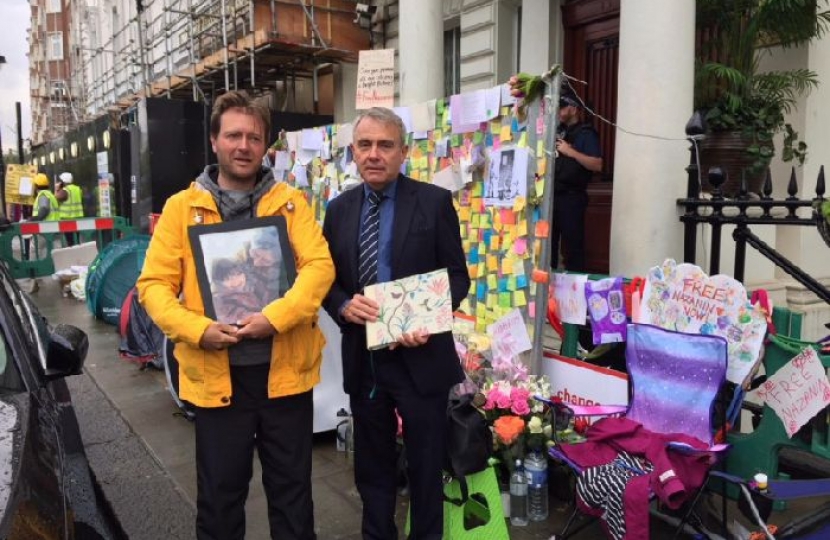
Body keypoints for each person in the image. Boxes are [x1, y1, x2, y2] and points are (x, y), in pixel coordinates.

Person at [136, 90, 334, 540]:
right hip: (216, 380)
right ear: (214, 141)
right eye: (233, 136)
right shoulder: (180, 209)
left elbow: (319, 268)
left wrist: (277, 317)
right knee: (220, 502)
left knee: (293, 498)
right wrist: (199, 329)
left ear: (265, 145)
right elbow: (153, 286)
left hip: (284, 376)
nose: (243, 146)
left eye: (253, 137)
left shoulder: (290, 203)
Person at [322, 107, 470, 540]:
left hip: (420, 356)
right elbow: (327, 281)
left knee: (426, 467)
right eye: (364, 145)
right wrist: (343, 305)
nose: (374, 154)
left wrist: (429, 318)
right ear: (353, 151)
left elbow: (456, 275)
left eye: (385, 145)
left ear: (403, 151)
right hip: (363, 358)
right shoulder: (338, 210)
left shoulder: (434, 202)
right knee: (372, 465)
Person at [552, 93, 603, 272]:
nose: (558, 111)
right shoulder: (556, 130)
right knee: (547, 246)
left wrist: (570, 152)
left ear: (573, 109)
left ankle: (574, 290)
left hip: (571, 198)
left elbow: (597, 165)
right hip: (552, 196)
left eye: (562, 107)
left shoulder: (586, 134)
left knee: (573, 248)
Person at [210, 258, 262, 324]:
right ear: (218, 283)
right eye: (227, 279)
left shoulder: (251, 289)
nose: (236, 281)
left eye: (238, 274)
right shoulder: (219, 301)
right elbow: (241, 318)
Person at [56, 171, 84, 245]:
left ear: (63, 181)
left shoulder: (65, 190)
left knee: (70, 241)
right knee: (76, 239)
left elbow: (56, 198)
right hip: (78, 218)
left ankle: (72, 254)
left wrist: (57, 189)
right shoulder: (78, 189)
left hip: (67, 219)